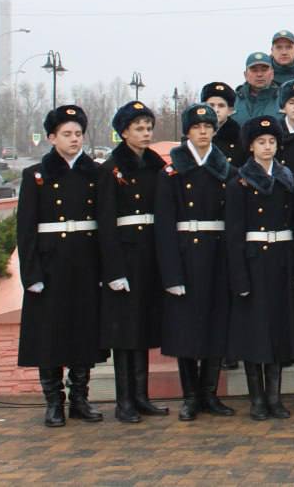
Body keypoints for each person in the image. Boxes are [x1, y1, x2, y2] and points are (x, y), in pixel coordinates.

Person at [17, 104, 106, 428]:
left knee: (84, 333)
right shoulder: (36, 176)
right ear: (51, 137)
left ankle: (80, 398)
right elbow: (25, 230)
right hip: (51, 265)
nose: (74, 139)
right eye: (66, 134)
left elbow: (103, 224)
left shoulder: (95, 173)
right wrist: (32, 274)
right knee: (50, 336)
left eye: (78, 134)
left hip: (85, 263)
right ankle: (54, 401)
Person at [155, 102, 235, 422]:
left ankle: (210, 393)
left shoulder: (226, 169)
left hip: (218, 253)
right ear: (186, 132)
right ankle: (190, 396)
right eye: (196, 127)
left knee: (216, 326)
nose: (203, 132)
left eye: (208, 127)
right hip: (186, 253)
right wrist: (171, 272)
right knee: (186, 329)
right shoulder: (172, 171)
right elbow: (164, 225)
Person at [97, 101, 168, 423]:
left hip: (149, 256)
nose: (145, 133)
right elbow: (106, 223)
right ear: (123, 132)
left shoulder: (155, 166)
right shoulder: (111, 169)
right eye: (138, 128)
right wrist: (113, 269)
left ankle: (142, 396)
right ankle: (124, 400)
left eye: (148, 127)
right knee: (124, 334)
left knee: (143, 330)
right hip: (125, 257)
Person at [225, 116, 294, 421]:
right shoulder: (240, 182)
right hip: (254, 261)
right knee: (256, 334)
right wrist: (239, 275)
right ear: (251, 146)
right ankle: (257, 398)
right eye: (261, 142)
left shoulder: (286, 179)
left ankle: (274, 397)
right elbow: (234, 234)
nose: (267, 147)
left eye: (271, 142)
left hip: (281, 259)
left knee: (278, 331)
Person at [201, 82, 243, 166]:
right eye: (211, 105)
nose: (216, 110)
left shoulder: (240, 140)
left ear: (230, 111)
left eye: (221, 106)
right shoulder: (192, 136)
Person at [233, 52, 281, 125]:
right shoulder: (233, 100)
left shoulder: (284, 99)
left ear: (272, 74)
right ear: (245, 75)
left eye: (264, 70)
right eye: (254, 70)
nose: (259, 74)